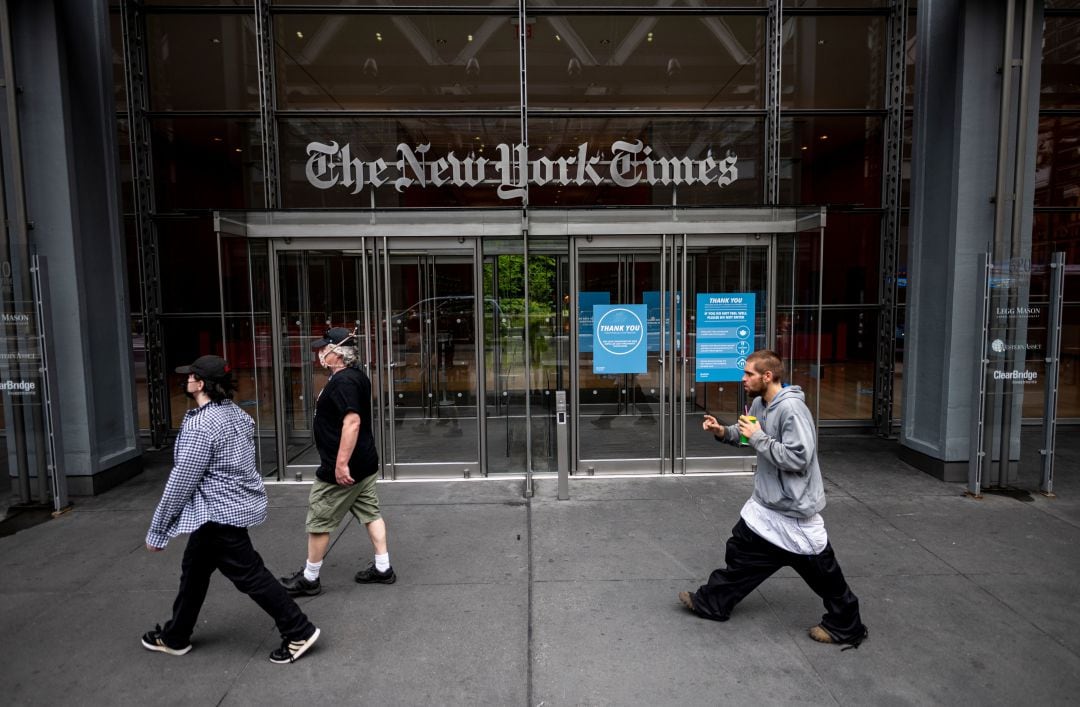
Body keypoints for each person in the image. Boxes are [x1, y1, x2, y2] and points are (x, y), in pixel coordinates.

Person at [679, 349, 868, 648]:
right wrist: (721, 432)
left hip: (794, 511)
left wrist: (757, 437)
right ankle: (712, 601)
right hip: (768, 507)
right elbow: (747, 436)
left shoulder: (792, 409)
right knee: (740, 552)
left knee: (824, 575)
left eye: (749, 374)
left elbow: (799, 458)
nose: (743, 379)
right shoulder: (758, 402)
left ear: (767, 376)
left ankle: (847, 625)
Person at [143, 355, 320, 664]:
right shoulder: (235, 413)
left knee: (251, 575)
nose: (185, 380)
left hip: (217, 513)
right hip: (226, 508)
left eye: (189, 376)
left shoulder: (202, 425)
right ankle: (175, 636)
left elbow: (181, 480)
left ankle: (299, 631)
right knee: (194, 573)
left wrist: (158, 530)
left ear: (200, 383)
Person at [280, 328, 395, 597]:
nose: (320, 354)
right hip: (364, 462)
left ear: (338, 354)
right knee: (370, 512)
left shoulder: (344, 382)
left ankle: (309, 579)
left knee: (319, 518)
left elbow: (352, 422)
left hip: (344, 469)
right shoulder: (353, 377)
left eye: (324, 349)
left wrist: (341, 465)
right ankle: (383, 567)